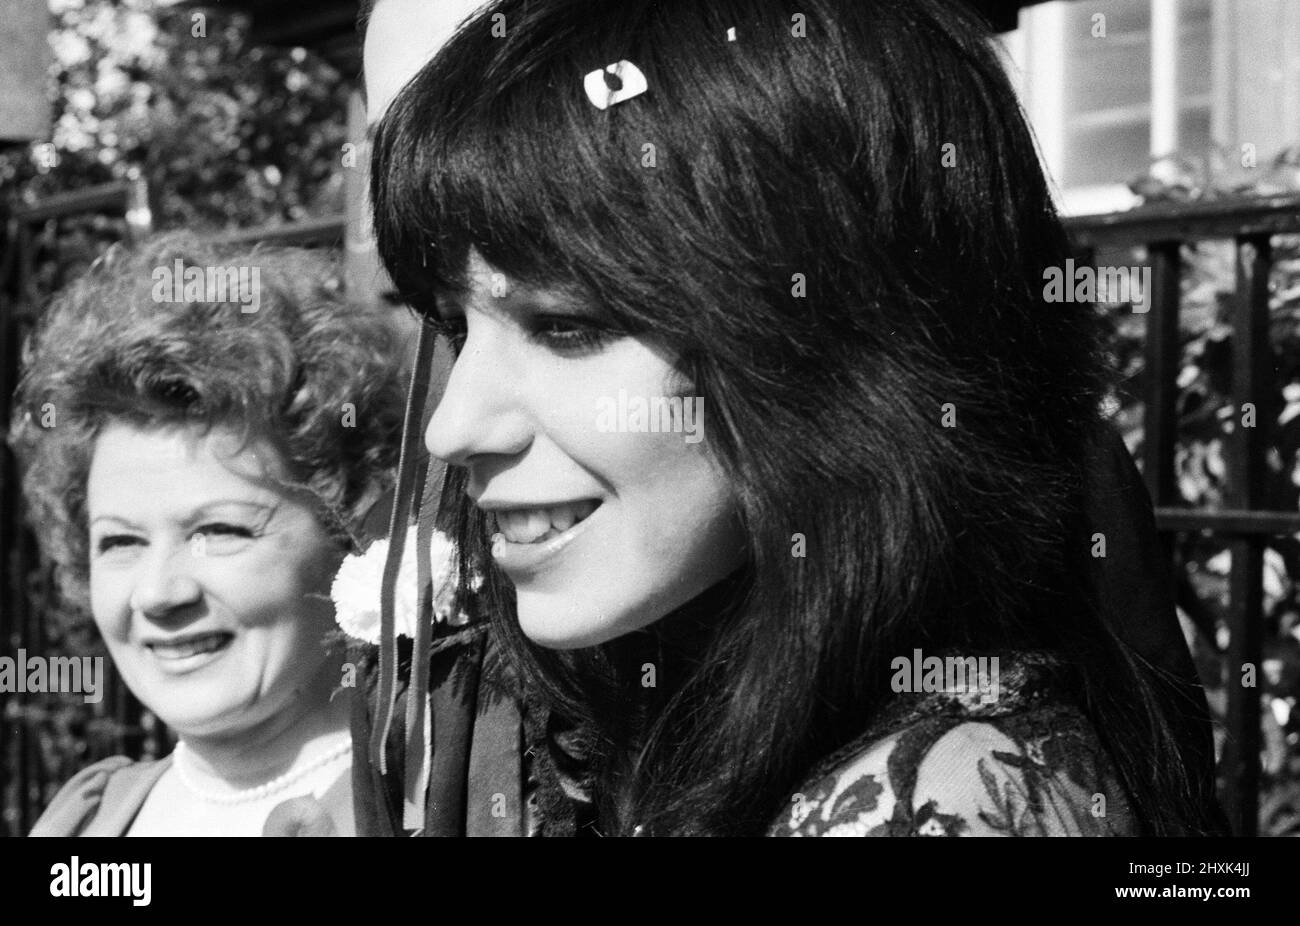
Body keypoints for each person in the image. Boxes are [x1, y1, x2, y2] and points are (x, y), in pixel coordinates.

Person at [359, 0, 1224, 836]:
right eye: (451, 324)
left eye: (568, 326)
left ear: (843, 337)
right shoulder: (716, 695)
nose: (453, 426)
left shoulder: (926, 799)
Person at [13, 235, 406, 836]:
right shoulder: (81, 821)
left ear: (351, 533)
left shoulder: (431, 806)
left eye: (219, 531)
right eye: (120, 543)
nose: (158, 594)